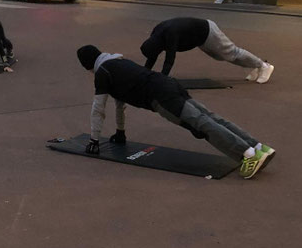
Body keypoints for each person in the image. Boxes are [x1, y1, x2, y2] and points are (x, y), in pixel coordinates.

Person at [76, 45, 275, 179]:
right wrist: (120, 132)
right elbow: (121, 102)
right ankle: (258, 147)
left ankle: (247, 155)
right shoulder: (117, 63)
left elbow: (98, 109)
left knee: (201, 125)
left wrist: (94, 140)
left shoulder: (102, 74)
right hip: (169, 84)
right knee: (210, 117)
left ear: (87, 65)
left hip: (161, 98)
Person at [140, 17, 274, 83]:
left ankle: (264, 66)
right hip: (199, 37)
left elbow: (170, 58)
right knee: (224, 56)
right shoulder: (156, 35)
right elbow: (152, 57)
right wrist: (144, 74)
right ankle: (255, 65)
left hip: (208, 31)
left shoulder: (169, 34)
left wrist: (163, 79)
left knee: (232, 52)